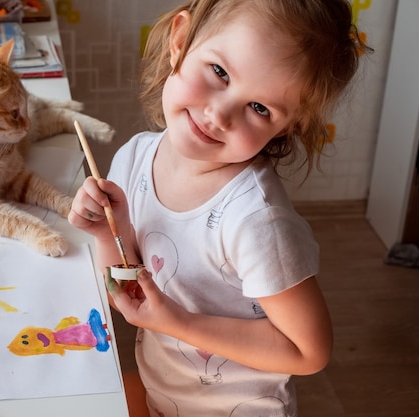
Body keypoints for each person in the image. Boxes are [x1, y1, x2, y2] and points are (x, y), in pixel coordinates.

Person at [69, 0, 370, 416]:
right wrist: (109, 232)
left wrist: (177, 323)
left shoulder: (257, 222)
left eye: (260, 108)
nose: (219, 115)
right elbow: (132, 295)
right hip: (164, 394)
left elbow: (308, 352)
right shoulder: (134, 158)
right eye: (220, 72)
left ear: (288, 125)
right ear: (180, 40)